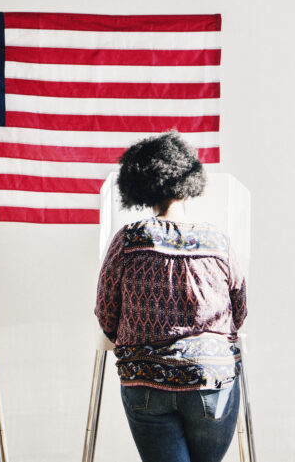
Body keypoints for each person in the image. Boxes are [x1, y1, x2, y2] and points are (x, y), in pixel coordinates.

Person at [94, 131, 247, 462]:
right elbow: (240, 310)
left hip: (146, 381)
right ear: (189, 184)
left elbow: (106, 312)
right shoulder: (218, 242)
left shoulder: (127, 240)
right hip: (210, 380)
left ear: (142, 188)